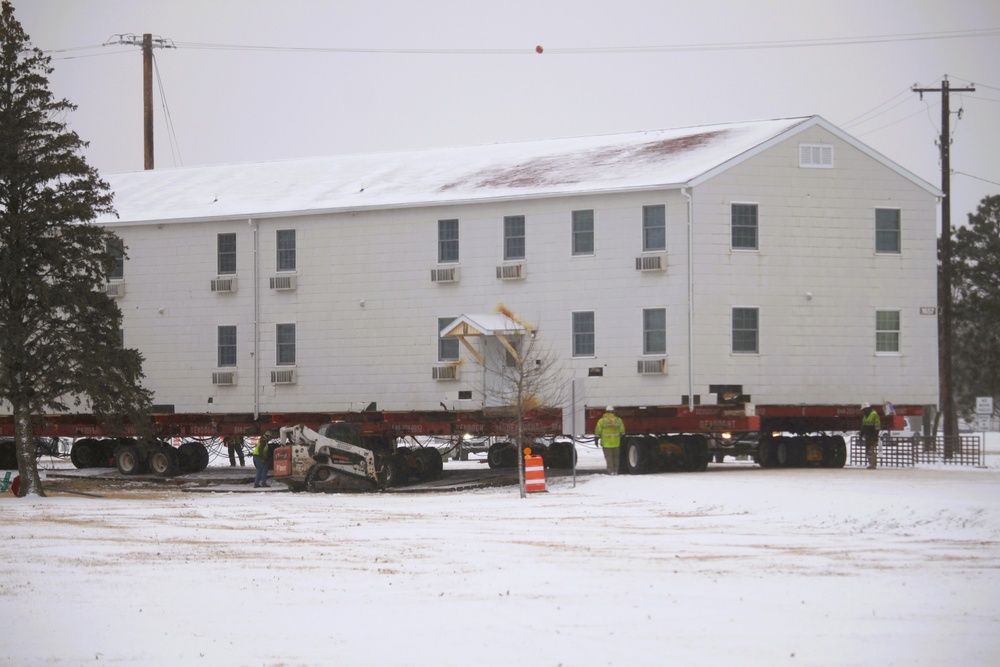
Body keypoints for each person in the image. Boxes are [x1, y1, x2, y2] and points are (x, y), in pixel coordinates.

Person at [594, 406, 625, 475]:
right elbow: (622, 431)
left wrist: (596, 439)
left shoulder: (602, 420)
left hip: (606, 443)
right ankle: (616, 470)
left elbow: (598, 431)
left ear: (606, 411)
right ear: (613, 411)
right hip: (616, 442)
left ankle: (610, 471)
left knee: (609, 458)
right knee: (616, 457)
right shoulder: (618, 420)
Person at [860, 402, 881, 469]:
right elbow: (864, 426)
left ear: (867, 409)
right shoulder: (865, 416)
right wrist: (861, 434)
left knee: (871, 450)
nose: (863, 412)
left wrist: (875, 437)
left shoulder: (874, 414)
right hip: (868, 435)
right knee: (868, 450)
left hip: (872, 435)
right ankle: (871, 464)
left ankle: (873, 464)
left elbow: (877, 427)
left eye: (863, 410)